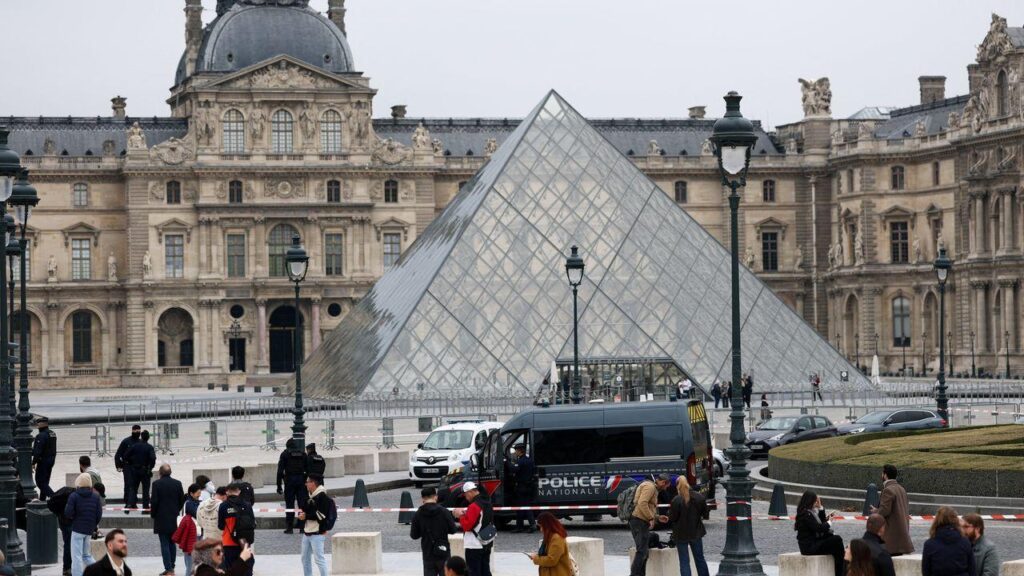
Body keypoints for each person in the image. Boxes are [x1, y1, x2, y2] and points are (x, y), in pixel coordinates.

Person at [794, 491, 844, 576]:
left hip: (813, 543)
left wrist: (820, 507)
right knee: (837, 541)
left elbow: (821, 523)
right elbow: (819, 528)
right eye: (815, 501)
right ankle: (840, 572)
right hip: (809, 547)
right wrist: (830, 522)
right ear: (810, 501)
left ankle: (840, 571)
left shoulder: (809, 512)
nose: (816, 503)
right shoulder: (806, 514)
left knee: (836, 543)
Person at [629, 474, 671, 576]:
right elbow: (642, 503)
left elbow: (647, 506)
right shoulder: (650, 487)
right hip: (639, 522)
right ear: (663, 482)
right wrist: (651, 518)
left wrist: (657, 517)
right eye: (666, 486)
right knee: (642, 552)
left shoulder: (652, 487)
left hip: (640, 521)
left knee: (644, 552)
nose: (665, 489)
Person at [411, 486, 458, 576]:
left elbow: (414, 535)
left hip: (427, 552)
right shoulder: (444, 511)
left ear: (422, 499)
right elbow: (453, 530)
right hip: (443, 550)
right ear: (436, 497)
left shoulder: (418, 514)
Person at [668, 476, 709, 576]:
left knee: (684, 561)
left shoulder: (676, 500)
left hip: (680, 534)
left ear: (677, 486)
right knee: (700, 559)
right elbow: (706, 514)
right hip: (696, 532)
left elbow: (672, 518)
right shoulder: (699, 497)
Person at [452, 481, 494, 576]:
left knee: (473, 572)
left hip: (474, 544)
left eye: (466, 495)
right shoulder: (488, 503)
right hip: (486, 542)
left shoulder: (474, 506)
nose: (466, 498)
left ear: (470, 492)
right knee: (485, 571)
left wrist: (460, 516)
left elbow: (467, 526)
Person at [65, 473, 103, 576]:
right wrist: (93, 525)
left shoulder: (74, 496)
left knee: (76, 557)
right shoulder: (96, 497)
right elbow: (99, 514)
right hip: (89, 530)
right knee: (86, 555)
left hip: (77, 529)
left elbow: (68, 513)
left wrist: (73, 518)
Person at [870, 464, 913, 555]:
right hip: (902, 535)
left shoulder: (888, 490)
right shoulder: (901, 489)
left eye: (882, 473)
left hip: (891, 538)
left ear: (885, 475)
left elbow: (885, 511)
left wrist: (876, 511)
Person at [151, 464, 185, 576]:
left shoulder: (156, 484)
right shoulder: (177, 483)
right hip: (174, 517)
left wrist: (153, 514)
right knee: (172, 542)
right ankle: (172, 566)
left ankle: (168, 569)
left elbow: (154, 502)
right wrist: (176, 510)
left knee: (164, 543)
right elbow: (181, 500)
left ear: (160, 473)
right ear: (170, 472)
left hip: (161, 517)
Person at [922, 506, 974, 576]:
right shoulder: (965, 542)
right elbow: (972, 569)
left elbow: (926, 571)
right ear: (956, 520)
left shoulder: (929, 544)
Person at [297, 474, 332, 576]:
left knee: (319, 560)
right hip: (307, 532)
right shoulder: (309, 495)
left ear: (313, 483)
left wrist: (306, 516)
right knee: (304, 559)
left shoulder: (323, 497)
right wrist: (302, 513)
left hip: (317, 533)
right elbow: (304, 509)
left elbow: (321, 515)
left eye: (307, 482)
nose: (306, 484)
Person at [218, 483, 256, 576]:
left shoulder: (223, 506)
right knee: (246, 567)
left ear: (227, 492)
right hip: (244, 542)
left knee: (231, 569)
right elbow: (253, 523)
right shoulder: (247, 505)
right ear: (238, 491)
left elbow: (221, 526)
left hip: (229, 542)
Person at [277, 438, 308, 534]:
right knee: (302, 504)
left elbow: (280, 471)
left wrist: (279, 485)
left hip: (289, 481)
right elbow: (308, 469)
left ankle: (289, 527)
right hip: (301, 481)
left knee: (289, 504)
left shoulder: (285, 454)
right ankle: (302, 527)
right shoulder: (303, 454)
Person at [173, 484, 201, 576]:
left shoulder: (195, 502)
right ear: (191, 493)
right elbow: (197, 514)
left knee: (191, 561)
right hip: (191, 534)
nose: (199, 495)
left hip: (194, 533)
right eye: (198, 493)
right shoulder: (189, 504)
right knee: (190, 562)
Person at [124, 430, 156, 512]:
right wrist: (150, 467)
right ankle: (145, 507)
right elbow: (153, 458)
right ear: (148, 437)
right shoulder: (149, 447)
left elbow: (126, 456)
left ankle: (130, 504)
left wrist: (131, 462)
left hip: (135, 469)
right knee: (145, 490)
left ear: (141, 437)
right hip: (145, 470)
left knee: (133, 488)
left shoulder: (135, 446)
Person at [48, 484, 76, 576]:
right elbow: (69, 511)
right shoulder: (74, 495)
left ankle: (67, 568)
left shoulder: (67, 491)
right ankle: (67, 568)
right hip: (68, 521)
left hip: (62, 520)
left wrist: (59, 514)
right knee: (69, 545)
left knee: (67, 544)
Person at [510, 443, 536, 533]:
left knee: (523, 507)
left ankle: (531, 525)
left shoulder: (520, 461)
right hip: (529, 486)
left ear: (520, 451)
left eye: (516, 450)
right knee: (523, 506)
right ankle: (520, 526)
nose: (515, 452)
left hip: (522, 487)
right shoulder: (530, 460)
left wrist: (507, 462)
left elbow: (514, 470)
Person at [114, 425, 142, 505]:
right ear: (132, 431)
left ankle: (134, 502)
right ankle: (127, 502)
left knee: (136, 485)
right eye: (136, 431)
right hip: (128, 466)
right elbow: (118, 454)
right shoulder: (126, 442)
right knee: (128, 484)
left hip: (137, 467)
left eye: (139, 431)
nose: (137, 433)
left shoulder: (141, 442)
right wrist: (118, 466)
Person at [32, 416, 58, 500]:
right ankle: (42, 500)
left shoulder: (41, 435)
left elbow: (37, 451)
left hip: (43, 461)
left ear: (40, 424)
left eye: (38, 424)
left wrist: (33, 462)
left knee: (40, 482)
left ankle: (55, 498)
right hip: (51, 460)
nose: (37, 426)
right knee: (45, 482)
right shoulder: (52, 434)